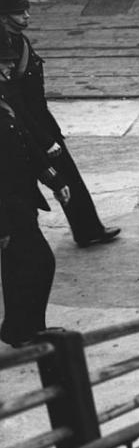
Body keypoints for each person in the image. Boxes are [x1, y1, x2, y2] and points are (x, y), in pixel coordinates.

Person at [0, 0, 120, 248]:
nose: (26, 15)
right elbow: (15, 105)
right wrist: (44, 140)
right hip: (21, 131)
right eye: (19, 12)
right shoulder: (4, 50)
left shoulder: (17, 41)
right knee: (22, 192)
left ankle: (88, 229)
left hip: (40, 122)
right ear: (3, 17)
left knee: (68, 177)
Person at [0, 37, 69, 348]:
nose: (8, 68)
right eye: (3, 63)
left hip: (20, 200)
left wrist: (53, 179)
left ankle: (22, 328)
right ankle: (24, 329)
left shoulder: (4, 99)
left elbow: (24, 140)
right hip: (8, 208)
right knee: (40, 262)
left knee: (18, 268)